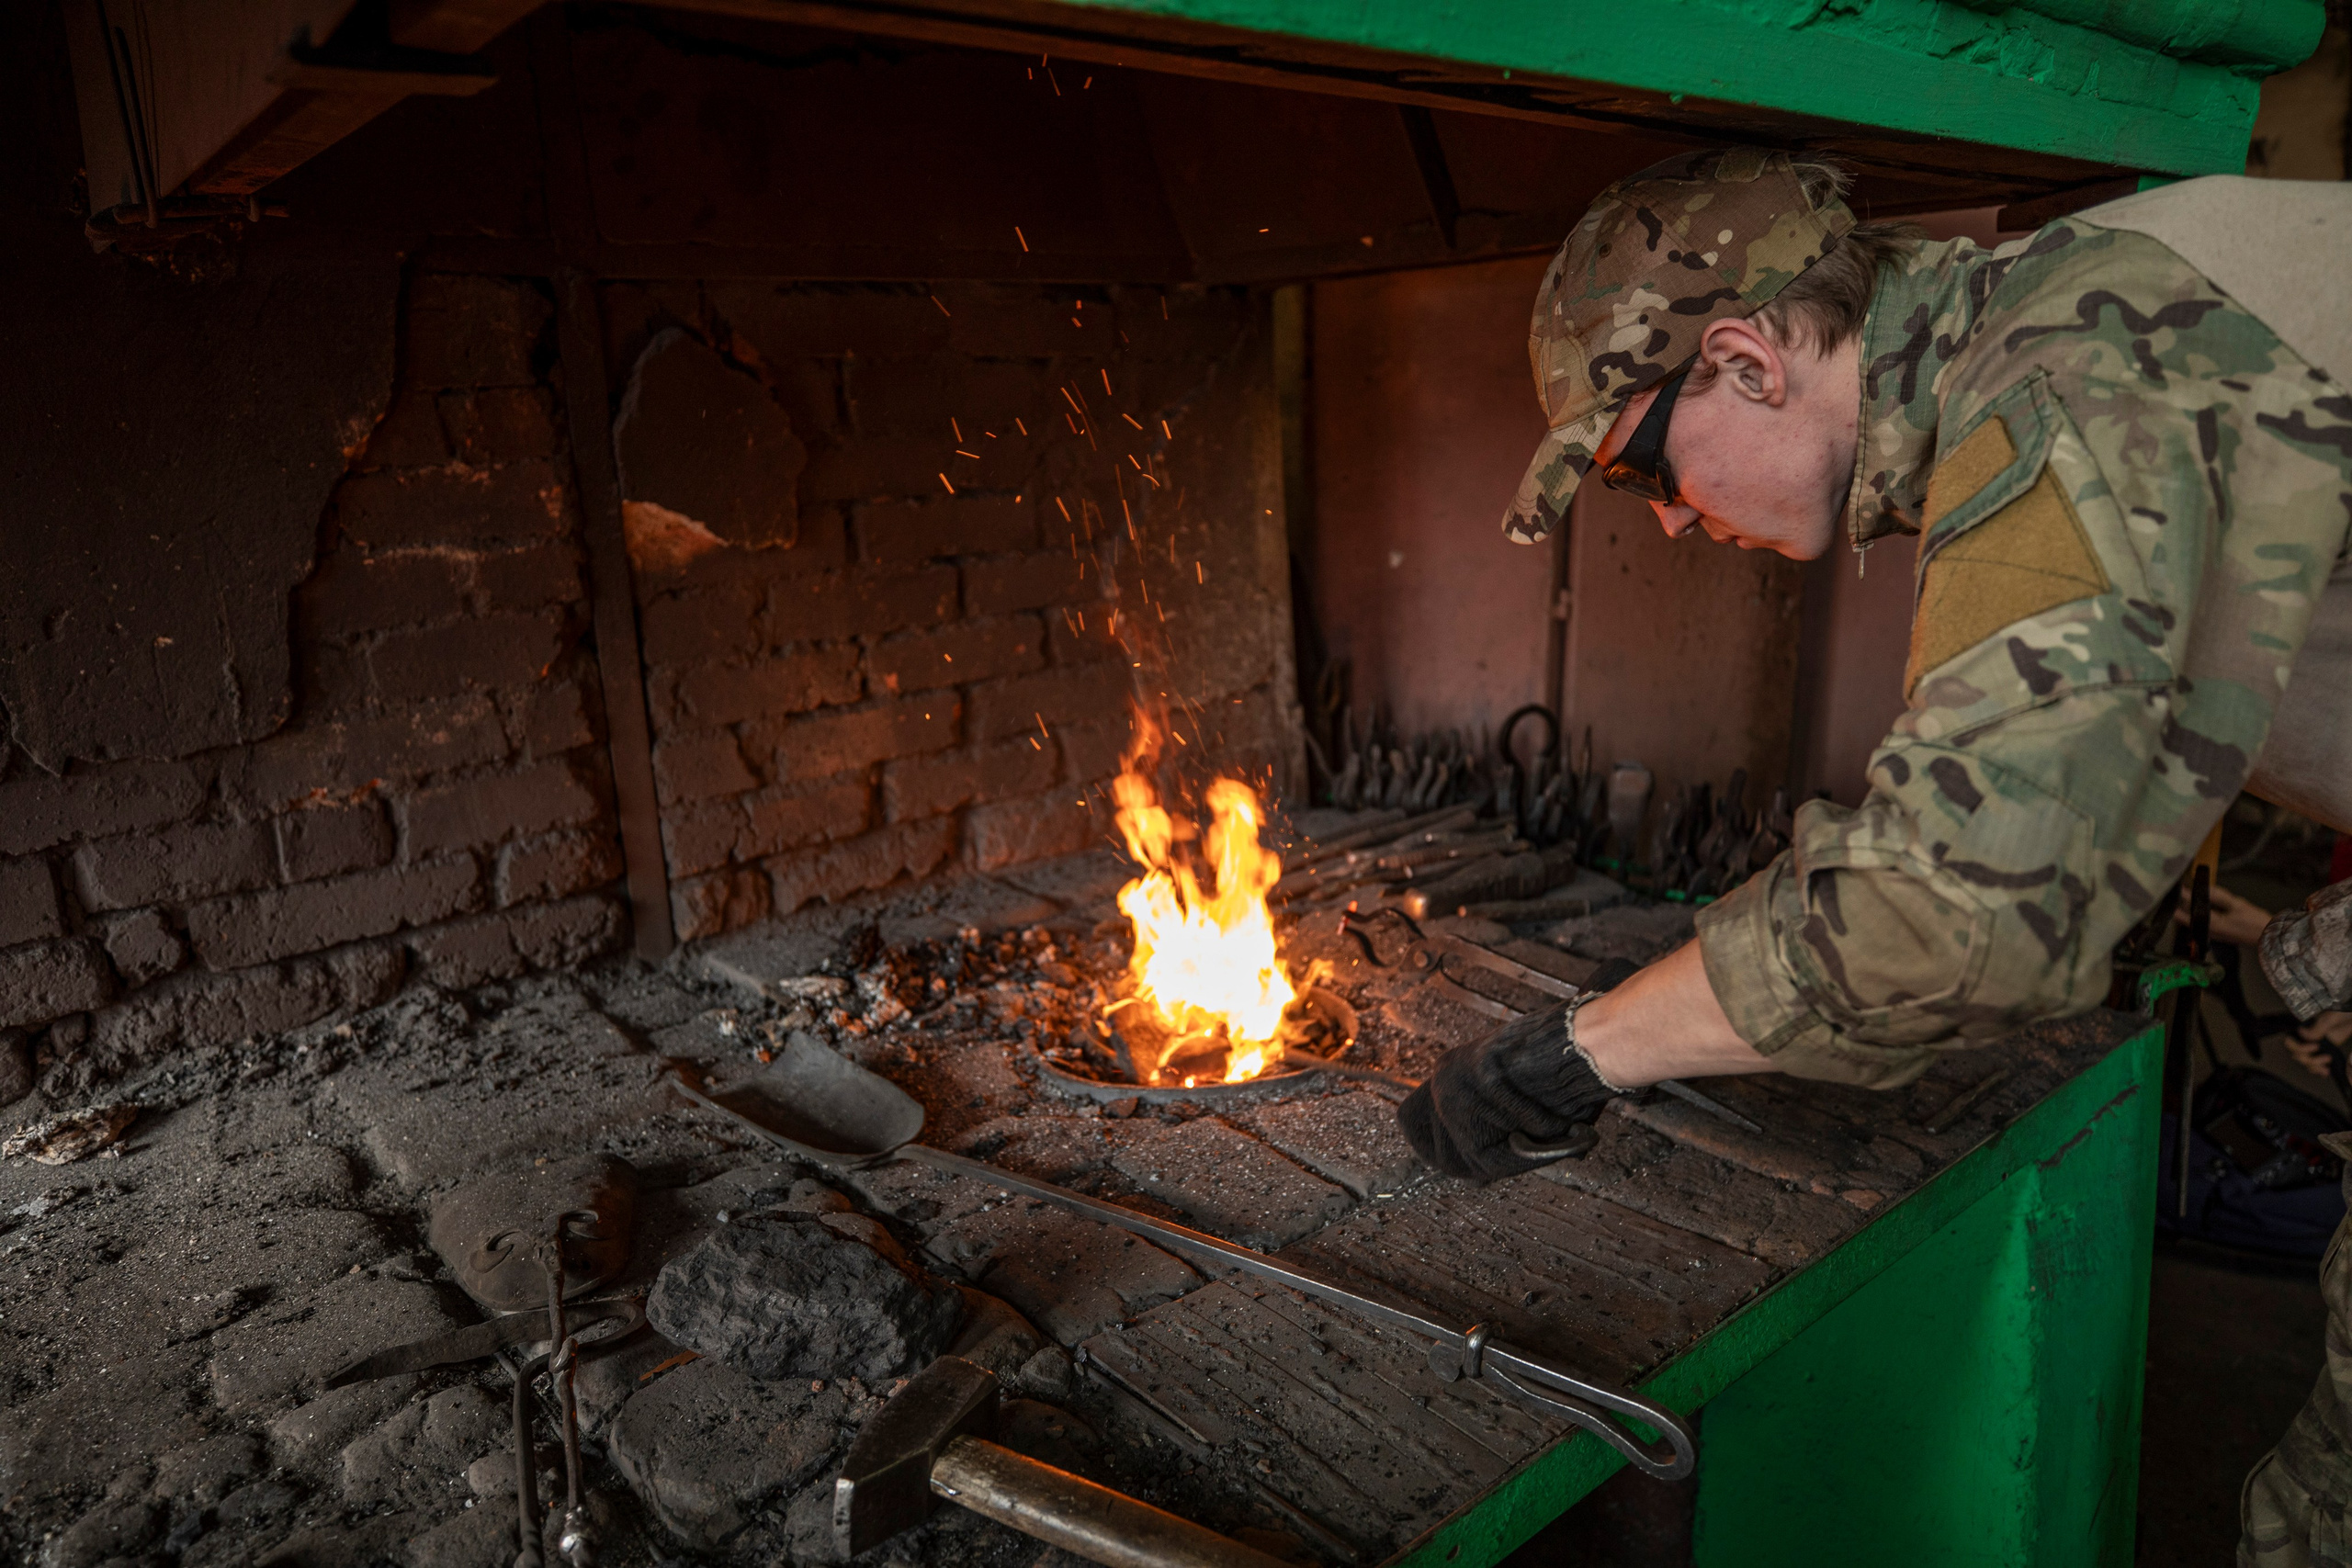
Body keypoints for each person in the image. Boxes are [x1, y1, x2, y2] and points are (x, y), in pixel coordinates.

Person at [1396, 147, 2352, 1185]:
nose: (1667, 517)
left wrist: (1584, 1051)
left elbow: (1957, 909)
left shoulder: (2074, 354)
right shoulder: (2034, 324)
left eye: (1639, 467)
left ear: (1749, 363)